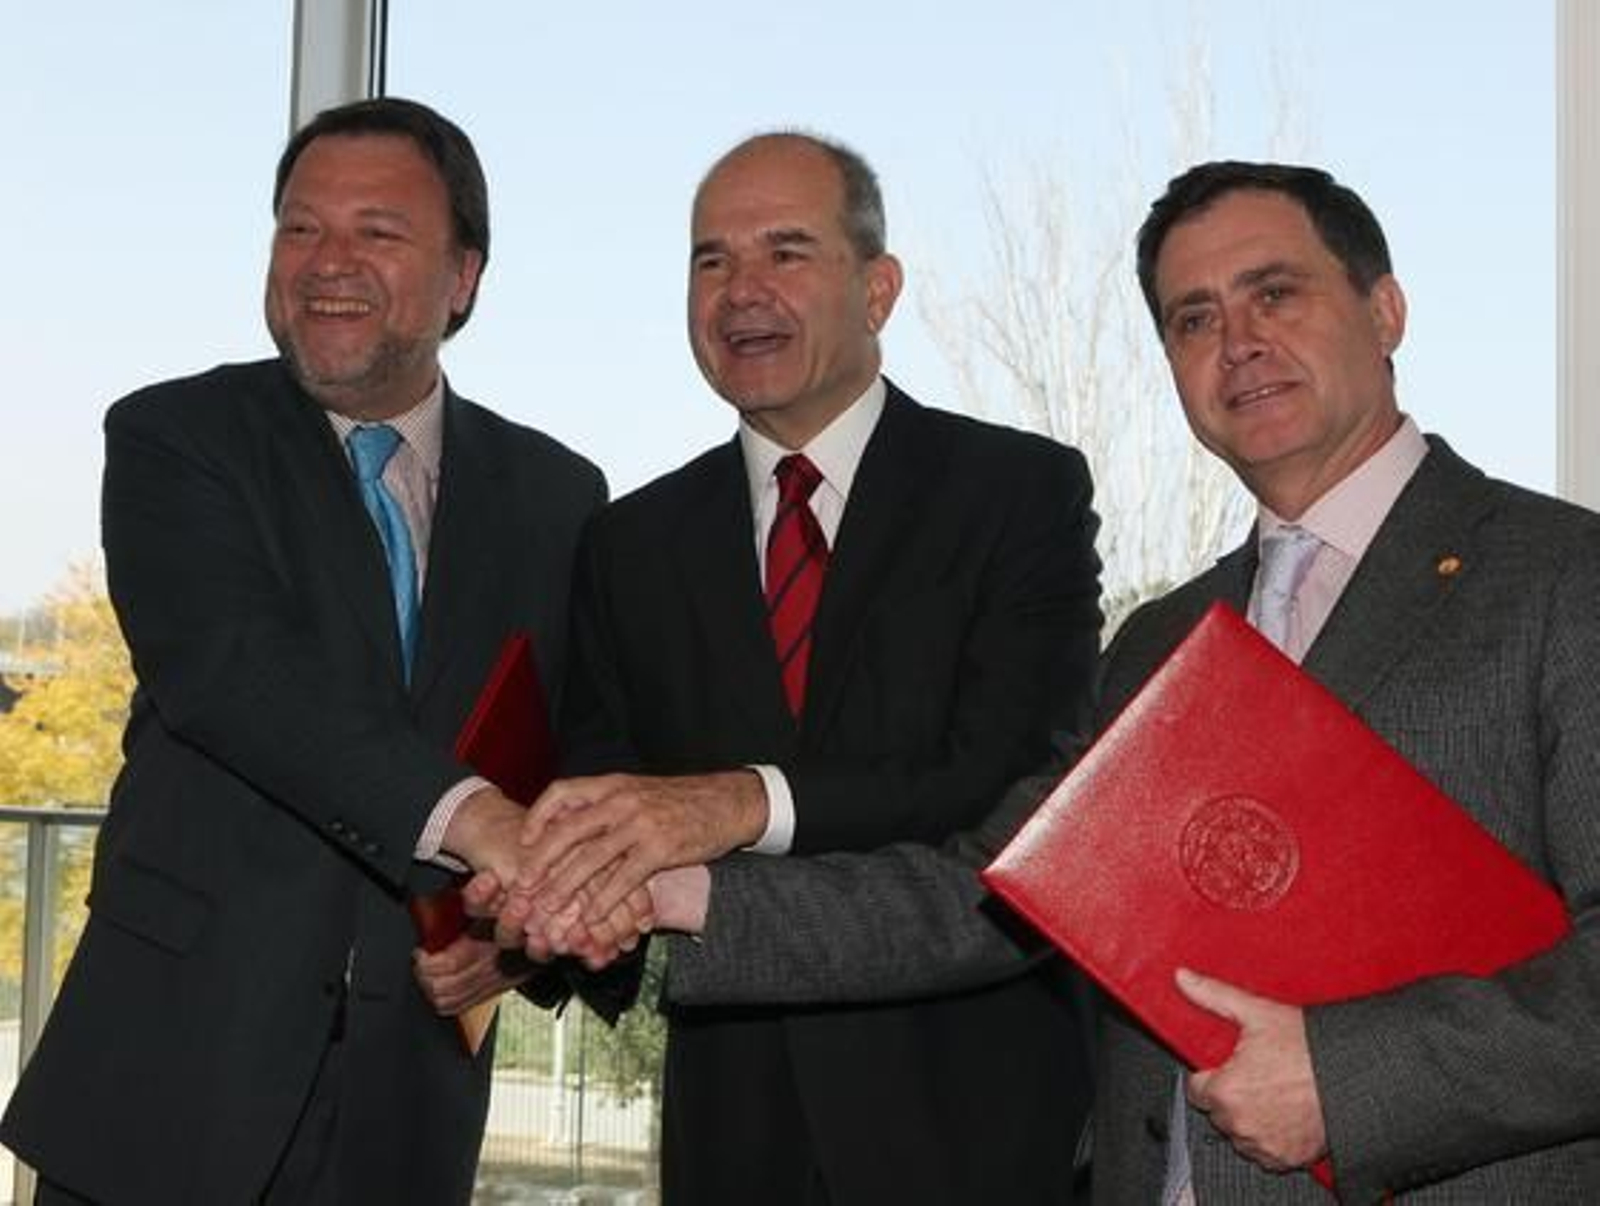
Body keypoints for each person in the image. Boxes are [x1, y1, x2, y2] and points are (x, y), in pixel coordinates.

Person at [636, 160, 1600, 1203]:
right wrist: (678, 894)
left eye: (1274, 293)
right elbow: (995, 888)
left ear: (1384, 310)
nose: (1237, 343)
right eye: (1192, 320)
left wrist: (1349, 1079)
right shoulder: (1161, 640)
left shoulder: (1559, 578)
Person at [428, 130, 1104, 1204]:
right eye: (710, 260)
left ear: (877, 288)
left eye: (786, 251)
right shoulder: (630, 540)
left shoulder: (1017, 493)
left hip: (978, 1120)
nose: (741, 291)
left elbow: (1007, 773)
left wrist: (741, 804)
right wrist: (545, 919)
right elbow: (609, 803)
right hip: (735, 1130)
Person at [0, 97, 606, 1205]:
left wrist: (520, 945)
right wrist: (483, 827)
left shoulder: (560, 495)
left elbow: (558, 744)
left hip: (409, 1101)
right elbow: (232, 675)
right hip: (170, 1079)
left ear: (463, 275)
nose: (329, 263)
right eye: (299, 228)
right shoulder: (176, 438)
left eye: (378, 231)